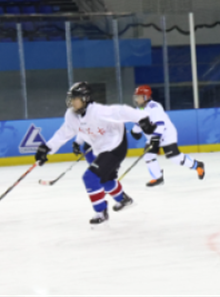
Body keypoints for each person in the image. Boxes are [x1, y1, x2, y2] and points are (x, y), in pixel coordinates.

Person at [35, 82, 158, 225]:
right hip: (101, 149)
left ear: (85, 99)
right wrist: (47, 148)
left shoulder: (98, 112)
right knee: (105, 180)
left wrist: (143, 119)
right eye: (71, 98)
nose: (72, 102)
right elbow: (64, 133)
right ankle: (123, 199)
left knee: (90, 177)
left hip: (116, 146)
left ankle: (100, 212)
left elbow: (122, 111)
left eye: (75, 98)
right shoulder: (72, 115)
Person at [130, 85, 205, 187]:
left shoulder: (154, 107)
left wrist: (155, 138)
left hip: (166, 135)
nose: (136, 100)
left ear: (146, 97)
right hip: (153, 137)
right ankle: (158, 177)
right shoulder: (138, 109)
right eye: (136, 97)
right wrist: (135, 132)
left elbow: (160, 125)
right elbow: (139, 123)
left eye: (139, 97)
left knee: (175, 158)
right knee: (148, 155)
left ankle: (197, 165)